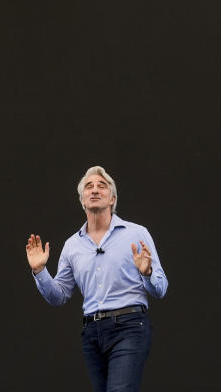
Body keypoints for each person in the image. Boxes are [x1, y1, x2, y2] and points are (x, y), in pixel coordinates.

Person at [26, 166, 167, 391]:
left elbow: (161, 288)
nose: (95, 190)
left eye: (102, 186)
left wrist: (147, 272)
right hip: (92, 333)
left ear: (112, 198)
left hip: (129, 326)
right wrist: (40, 271)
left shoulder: (136, 233)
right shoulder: (72, 245)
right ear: (82, 200)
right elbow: (59, 296)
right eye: (89, 187)